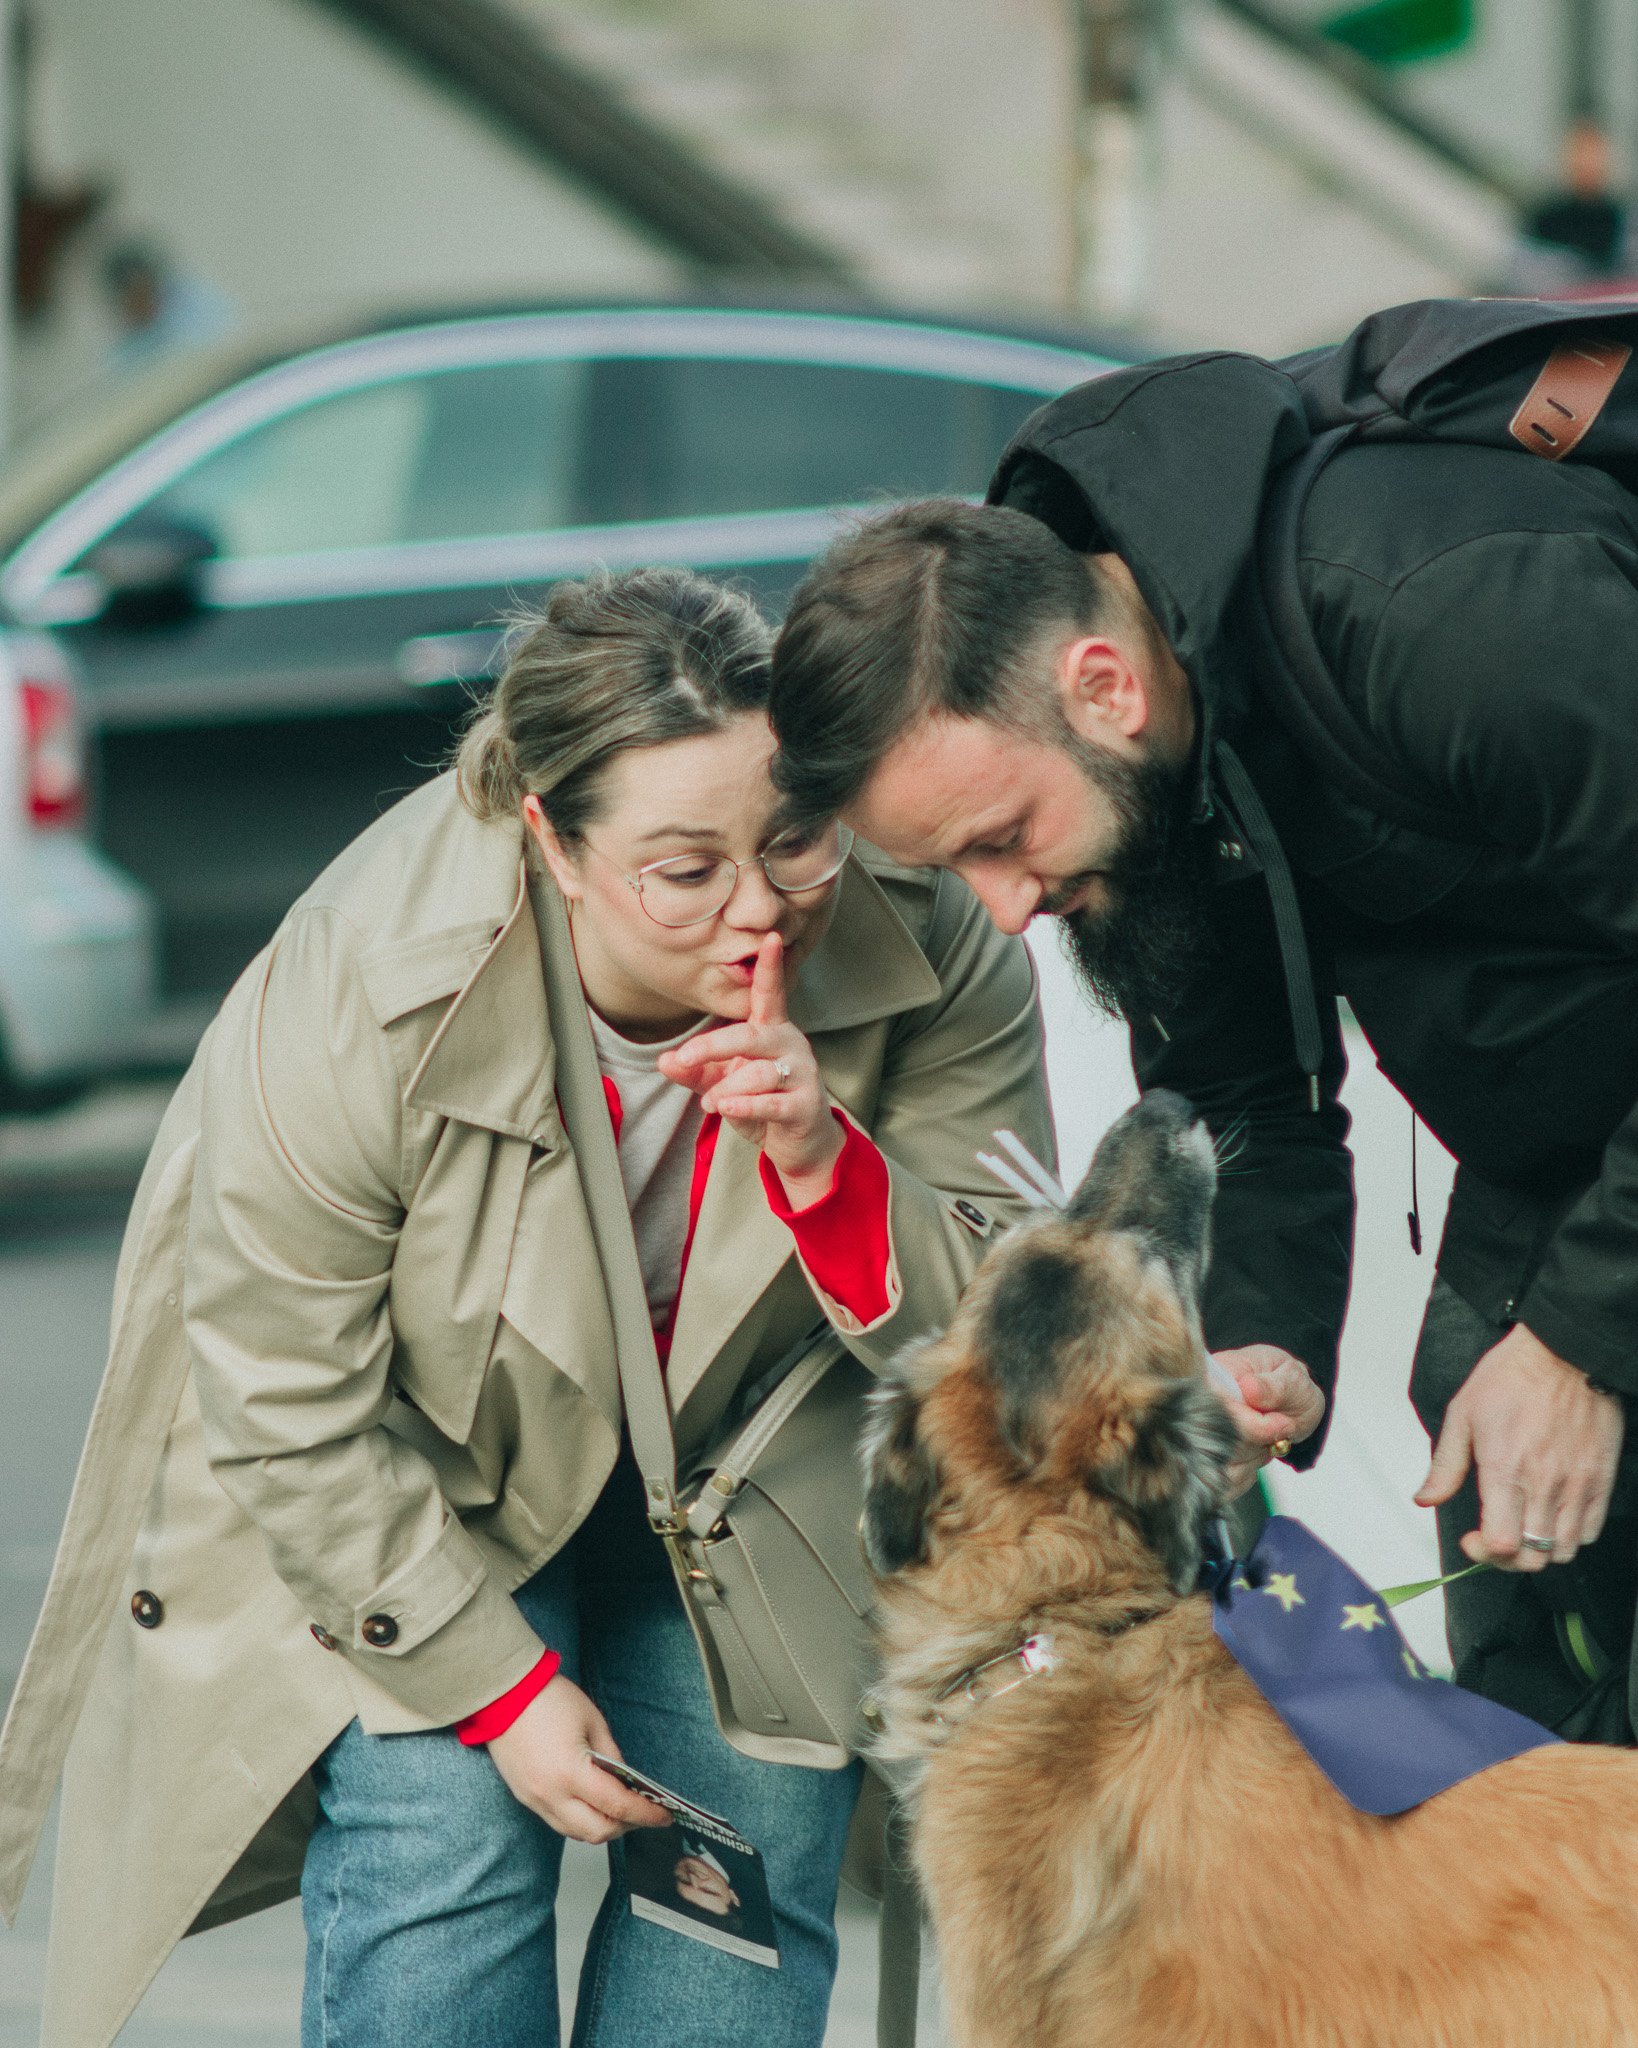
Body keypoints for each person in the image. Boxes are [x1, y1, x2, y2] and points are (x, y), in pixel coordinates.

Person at [0, 567, 1054, 2048]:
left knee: (730, 1943)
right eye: (684, 871)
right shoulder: (368, 983)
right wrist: (497, 1695)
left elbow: (1012, 1332)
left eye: (796, 838)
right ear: (553, 842)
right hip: (429, 1493)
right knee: (441, 1862)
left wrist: (830, 1168)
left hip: (758, 1490)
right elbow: (290, 1403)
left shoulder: (928, 933)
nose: (760, 907)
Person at [765, 355, 1638, 1742]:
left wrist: (1580, 1346)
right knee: (1537, 1730)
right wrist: (1261, 1348)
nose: (1004, 908)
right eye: (952, 870)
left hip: (1602, 1200)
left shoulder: (1452, 612)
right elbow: (1240, 1094)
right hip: (1563, 1148)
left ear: (1100, 685)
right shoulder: (1161, 756)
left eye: (999, 839)